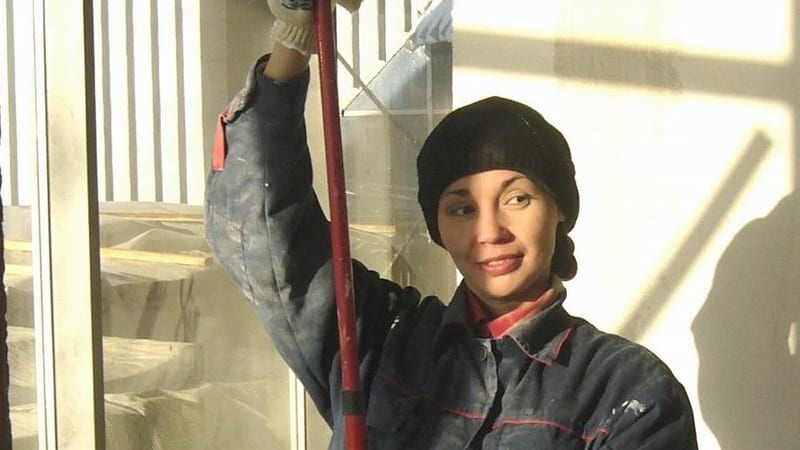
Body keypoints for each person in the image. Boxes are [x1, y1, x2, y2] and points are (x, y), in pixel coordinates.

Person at [205, 1, 698, 448]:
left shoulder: (625, 393)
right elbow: (261, 235)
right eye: (462, 209)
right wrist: (296, 33)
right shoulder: (377, 339)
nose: (490, 231)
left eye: (517, 199)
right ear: (437, 226)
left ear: (559, 208)